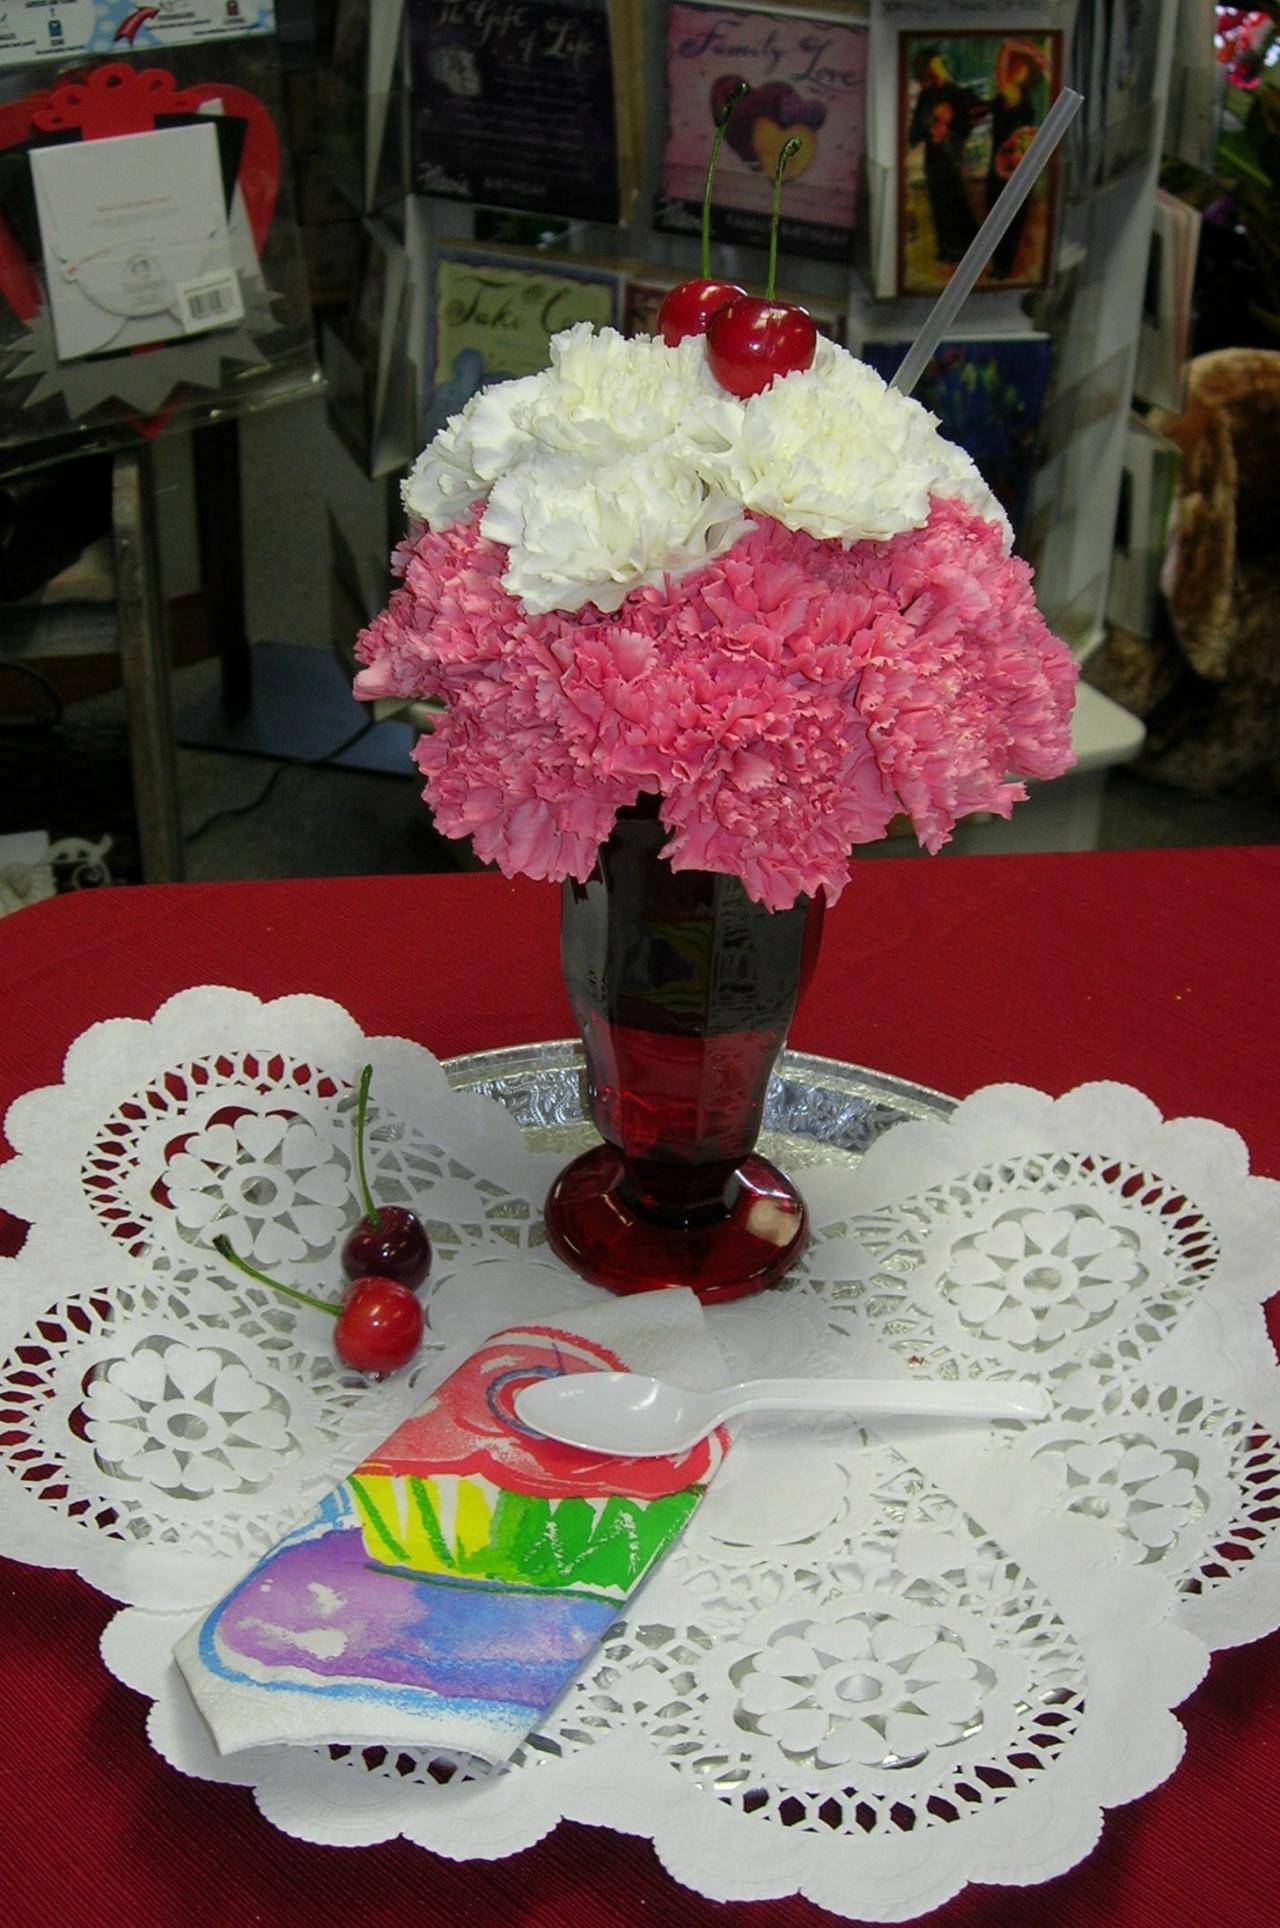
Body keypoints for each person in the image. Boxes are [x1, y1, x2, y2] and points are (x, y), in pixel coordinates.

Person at [907, 47, 982, 267]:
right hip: (934, 157)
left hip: (952, 155)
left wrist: (948, 126)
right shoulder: (927, 95)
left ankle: (969, 246)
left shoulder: (956, 93)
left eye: (940, 64)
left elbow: (965, 125)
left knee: (956, 199)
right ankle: (947, 248)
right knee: (938, 201)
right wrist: (931, 124)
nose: (938, 69)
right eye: (934, 65)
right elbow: (916, 129)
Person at [985, 39, 1052, 280]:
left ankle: (1002, 266)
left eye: (1022, 68)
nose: (1016, 70)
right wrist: (1034, 51)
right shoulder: (1010, 93)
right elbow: (1006, 46)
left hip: (1012, 164)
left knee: (1006, 216)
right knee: (1003, 215)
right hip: (1008, 164)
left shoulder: (1016, 95)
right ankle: (1001, 264)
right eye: (1015, 66)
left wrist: (1035, 55)